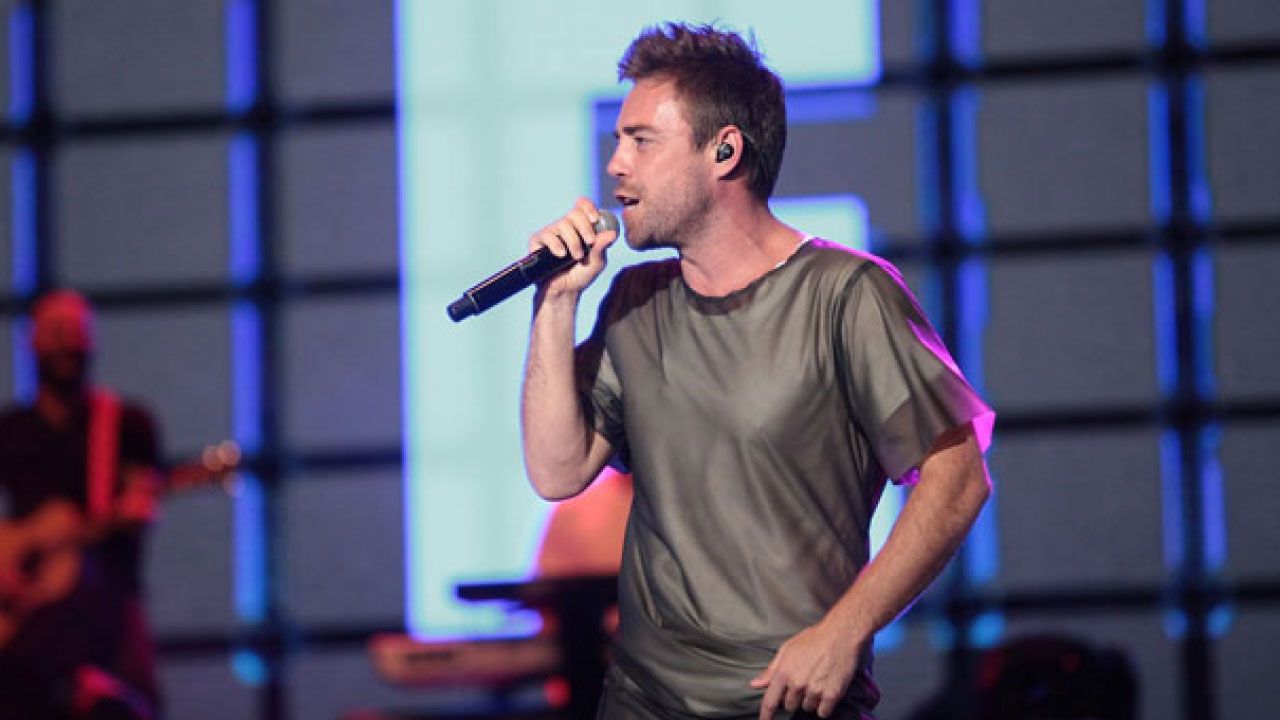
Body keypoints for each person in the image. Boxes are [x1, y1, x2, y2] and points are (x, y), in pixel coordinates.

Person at [519, 22, 995, 720]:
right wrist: (555, 302)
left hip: (785, 701)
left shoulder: (844, 294)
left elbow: (958, 478)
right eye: (619, 140)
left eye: (641, 141)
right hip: (641, 701)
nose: (616, 163)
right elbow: (556, 471)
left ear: (724, 150)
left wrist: (845, 630)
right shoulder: (634, 301)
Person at [0, 290, 162, 720]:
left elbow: (144, 499)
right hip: (29, 619)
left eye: (77, 333)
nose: (68, 344)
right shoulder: (11, 430)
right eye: (57, 332)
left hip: (110, 610)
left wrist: (135, 511)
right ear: (32, 341)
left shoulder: (125, 425)